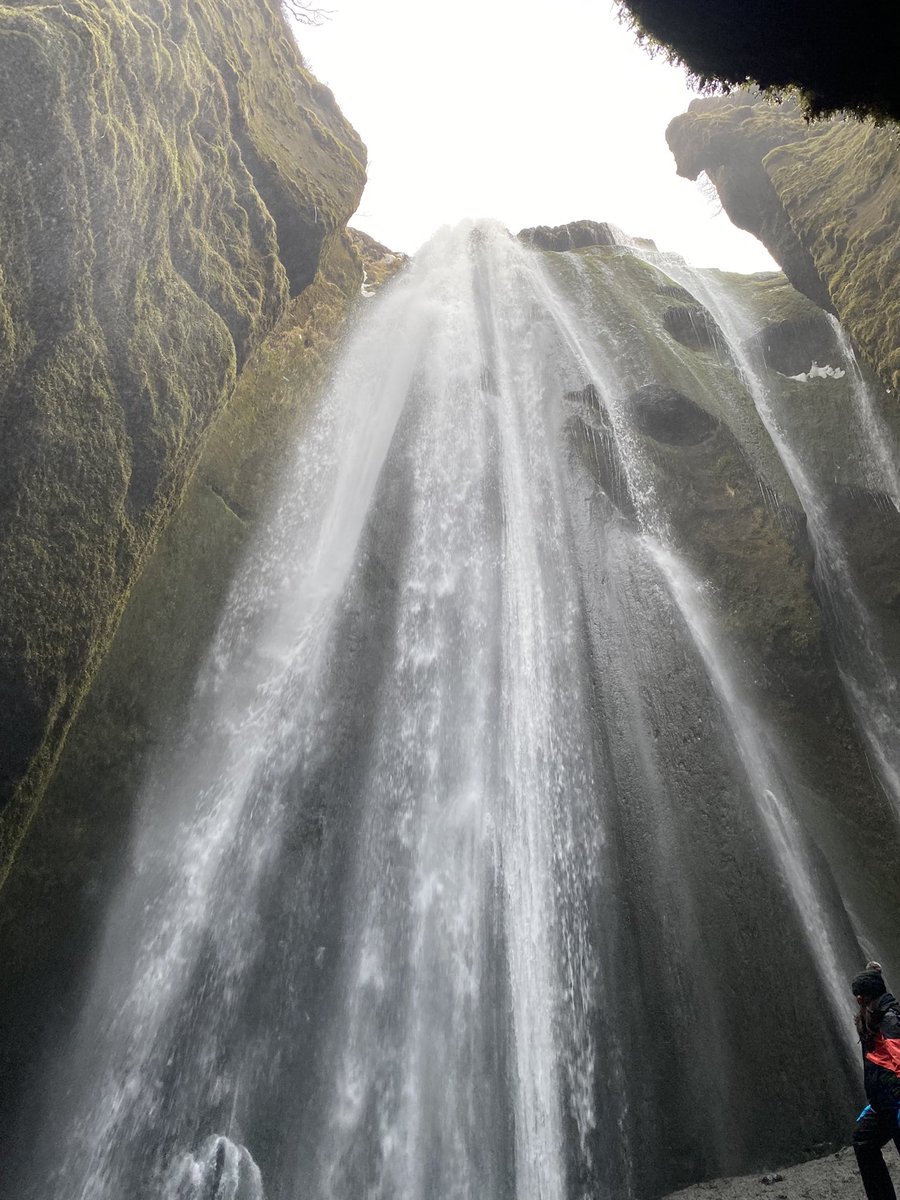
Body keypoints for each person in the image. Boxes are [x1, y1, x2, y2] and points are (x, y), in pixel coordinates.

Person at [852, 962, 900, 1199]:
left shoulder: (889, 1019)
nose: (857, 999)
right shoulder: (873, 1017)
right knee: (863, 1141)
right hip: (884, 1103)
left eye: (860, 995)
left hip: (896, 1102)